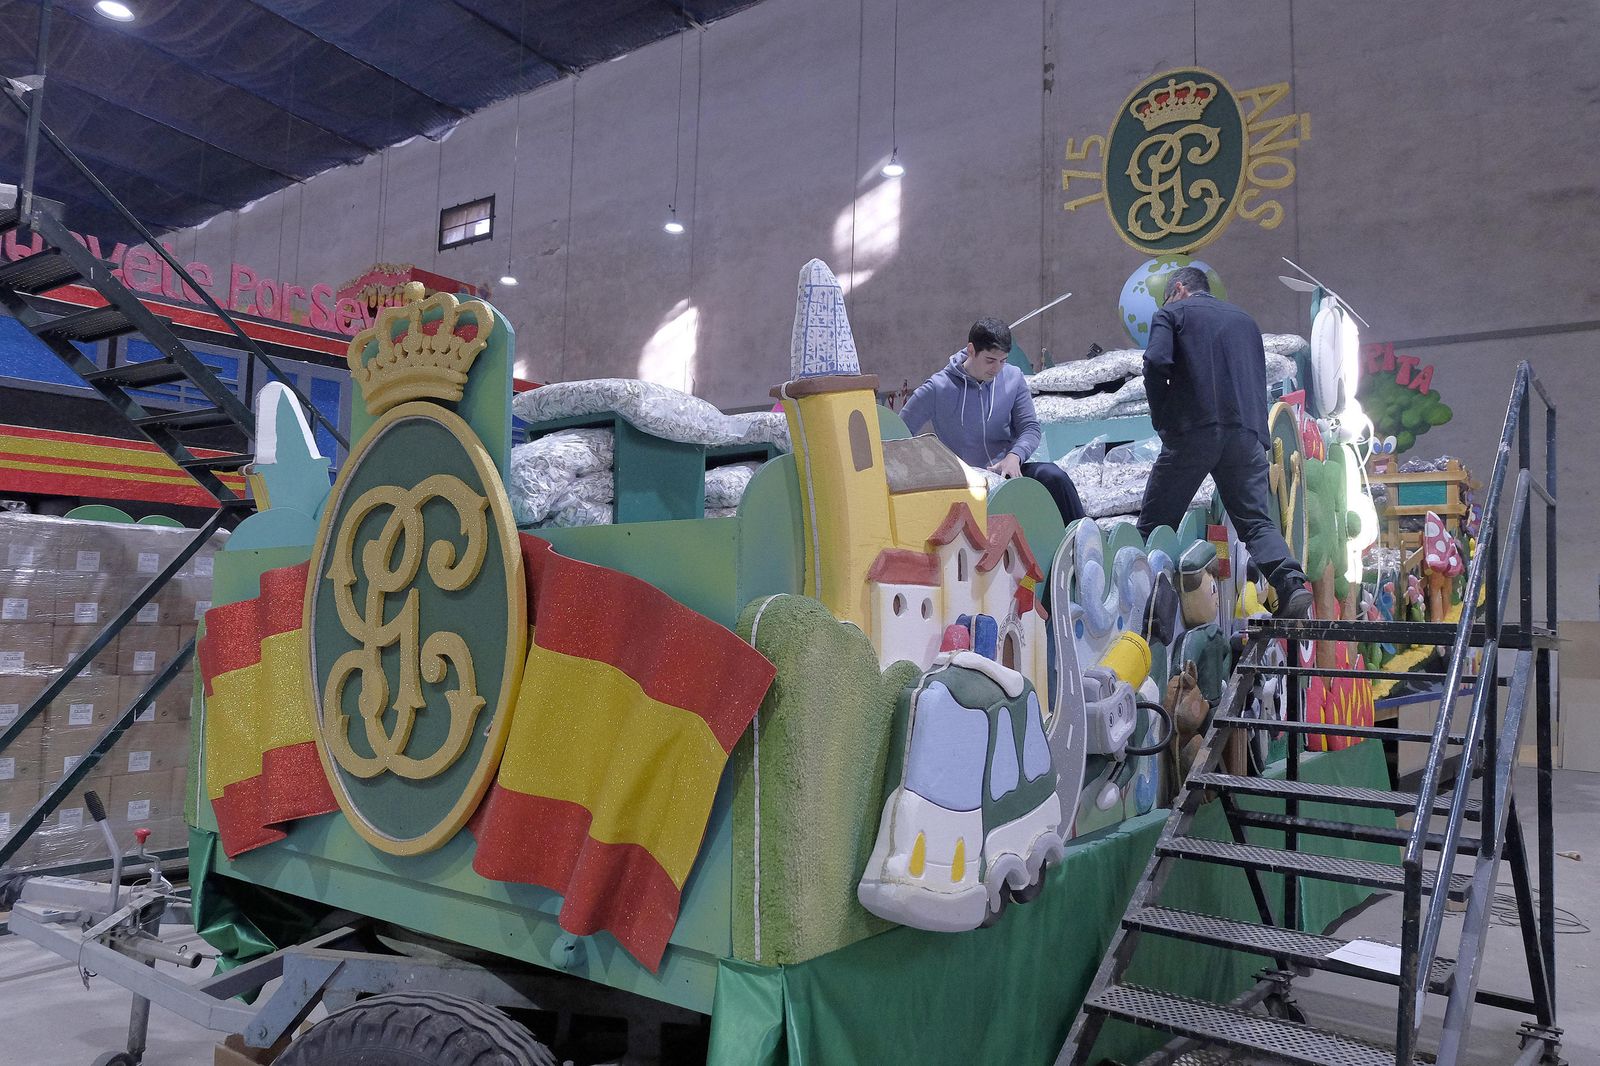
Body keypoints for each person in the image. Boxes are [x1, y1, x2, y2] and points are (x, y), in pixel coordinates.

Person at [1135, 267, 1313, 618]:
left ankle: (1141, 601)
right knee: (1257, 523)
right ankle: (1291, 583)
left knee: (1157, 522)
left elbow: (1155, 362)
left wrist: (1163, 419)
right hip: (1246, 434)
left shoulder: (1171, 313)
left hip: (1193, 430)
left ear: (1180, 289)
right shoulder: (1245, 321)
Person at [899, 317, 1085, 525]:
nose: (997, 368)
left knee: (1053, 476)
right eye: (990, 360)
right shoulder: (938, 388)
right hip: (964, 483)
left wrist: (1015, 456)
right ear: (971, 350)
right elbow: (899, 433)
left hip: (1007, 472)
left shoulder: (1013, 378)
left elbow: (1030, 428)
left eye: (1003, 360)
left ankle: (1084, 541)